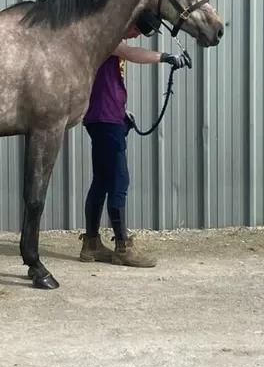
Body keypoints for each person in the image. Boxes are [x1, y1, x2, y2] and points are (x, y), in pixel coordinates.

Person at [79, 28, 188, 267]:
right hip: (106, 119)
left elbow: (107, 83)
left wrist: (121, 111)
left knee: (102, 180)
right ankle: (122, 247)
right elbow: (131, 53)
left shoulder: (107, 40)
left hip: (104, 117)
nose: (139, 33)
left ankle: (92, 244)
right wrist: (164, 56)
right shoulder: (108, 36)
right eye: (138, 28)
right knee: (119, 180)